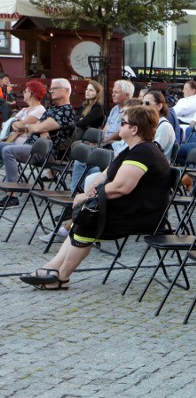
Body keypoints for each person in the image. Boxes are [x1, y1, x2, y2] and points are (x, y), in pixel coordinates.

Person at [19, 106, 172, 290]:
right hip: (130, 206)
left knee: (87, 218)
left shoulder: (144, 152)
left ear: (134, 129)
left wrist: (86, 198)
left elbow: (122, 187)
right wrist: (90, 191)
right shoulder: (133, 149)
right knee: (84, 216)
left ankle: (62, 277)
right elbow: (107, 174)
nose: (119, 125)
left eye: (123, 122)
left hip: (143, 214)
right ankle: (51, 268)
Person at [0, 78, 76, 208]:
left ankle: (12, 196)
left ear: (66, 90)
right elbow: (37, 127)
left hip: (46, 153)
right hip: (32, 146)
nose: (51, 91)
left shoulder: (67, 111)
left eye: (54, 88)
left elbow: (36, 127)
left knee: (8, 151)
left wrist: (38, 128)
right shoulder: (52, 108)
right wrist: (39, 129)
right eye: (50, 88)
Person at [4, 81, 46, 145]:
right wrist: (16, 124)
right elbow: (11, 124)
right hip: (12, 141)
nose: (24, 93)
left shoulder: (39, 110)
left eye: (25, 91)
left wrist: (17, 124)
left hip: (25, 144)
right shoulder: (25, 110)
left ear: (31, 94)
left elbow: (21, 125)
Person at [142, 91, 176, 157]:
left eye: (147, 103)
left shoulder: (164, 126)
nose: (143, 106)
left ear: (159, 106)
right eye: (141, 103)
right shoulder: (148, 124)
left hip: (155, 165)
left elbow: (153, 152)